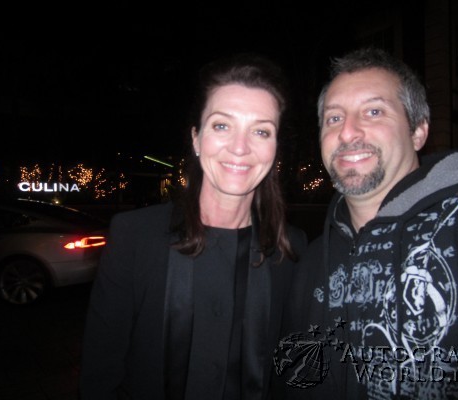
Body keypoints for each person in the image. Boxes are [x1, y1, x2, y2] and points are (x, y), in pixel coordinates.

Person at [273, 47, 458, 399]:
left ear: (418, 131)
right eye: (334, 118)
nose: (348, 132)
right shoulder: (310, 264)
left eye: (373, 111)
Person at [79, 53, 307, 400]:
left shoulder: (292, 248)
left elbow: (290, 374)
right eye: (222, 126)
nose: (240, 147)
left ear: (275, 150)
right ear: (197, 139)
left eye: (261, 131)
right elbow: (100, 377)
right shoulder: (134, 237)